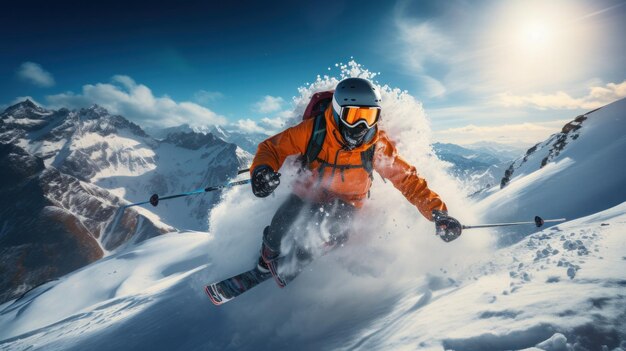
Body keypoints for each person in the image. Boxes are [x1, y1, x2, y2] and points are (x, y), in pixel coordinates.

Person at [250, 77, 461, 287]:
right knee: (285, 218)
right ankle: (267, 256)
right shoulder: (314, 131)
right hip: (310, 192)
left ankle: (298, 259)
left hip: (348, 201)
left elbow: (407, 179)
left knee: (337, 228)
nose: (361, 126)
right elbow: (272, 148)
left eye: (369, 117)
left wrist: (438, 213)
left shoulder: (376, 146)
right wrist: (262, 170)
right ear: (337, 111)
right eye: (353, 116)